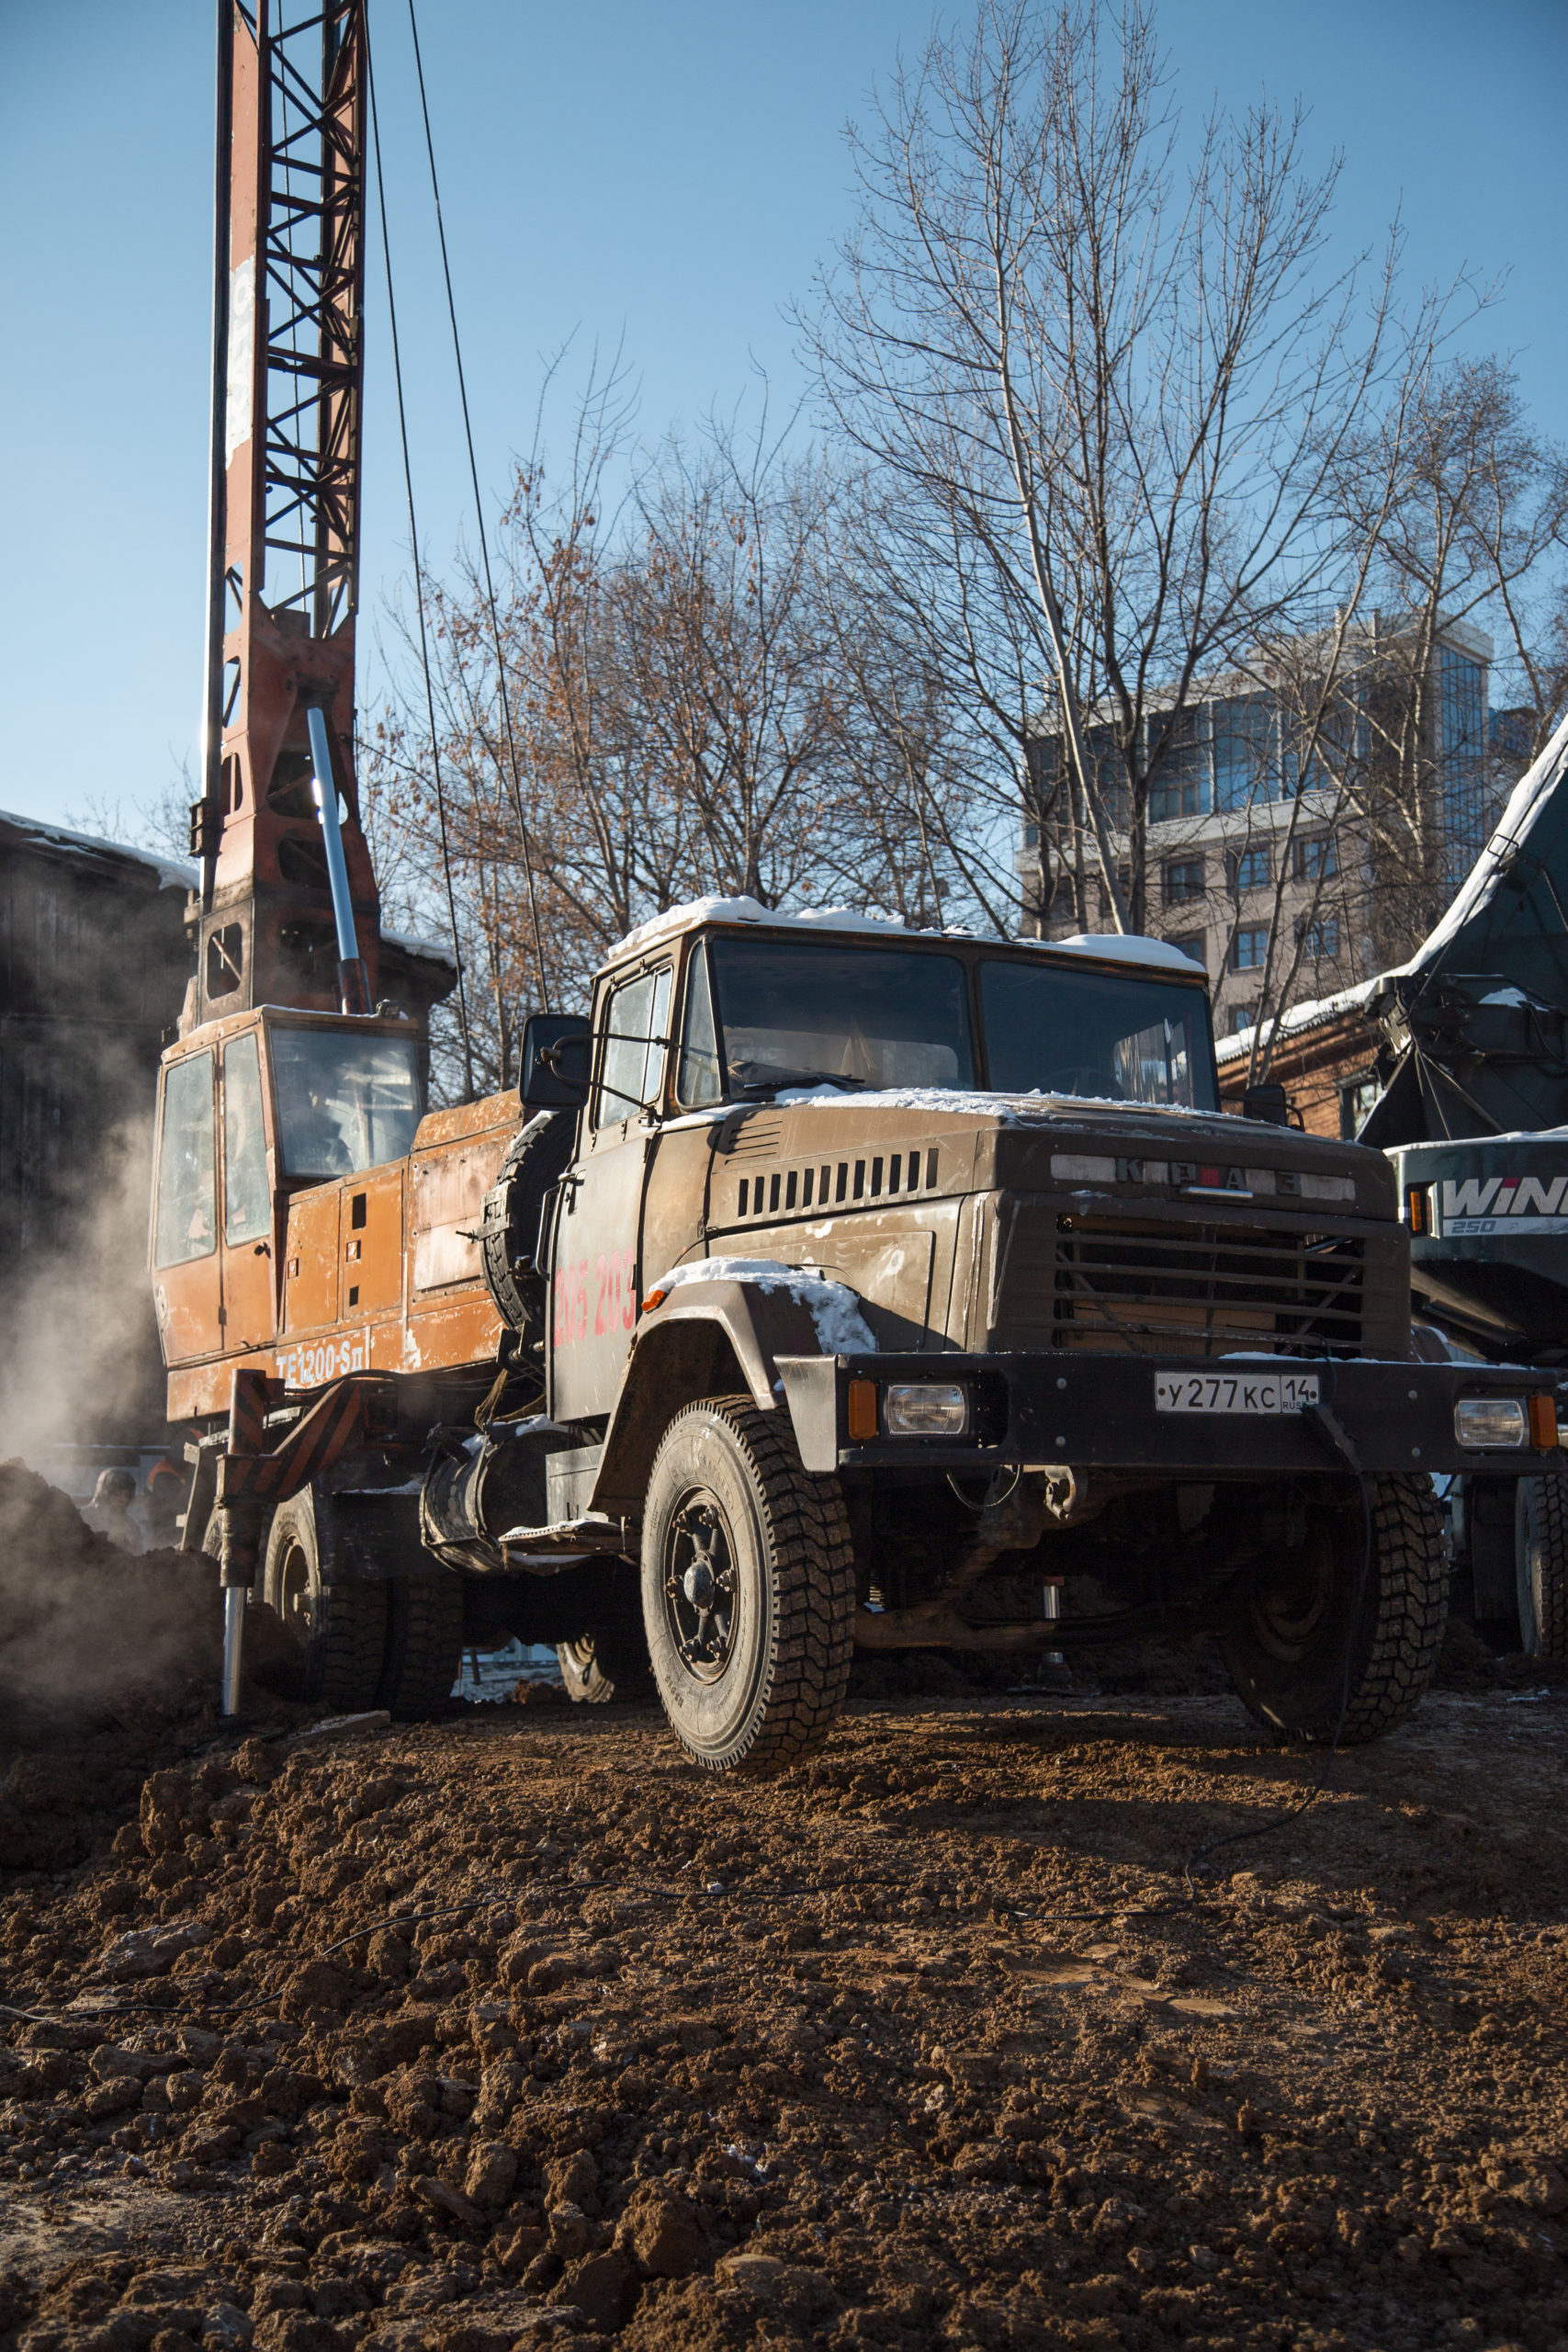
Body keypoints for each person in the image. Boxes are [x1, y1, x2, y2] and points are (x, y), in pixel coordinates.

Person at [81, 1468, 148, 1555]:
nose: (122, 1500)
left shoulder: (131, 1526)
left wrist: (126, 1547)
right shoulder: (83, 1517)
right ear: (105, 1494)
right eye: (117, 1494)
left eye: (126, 1495)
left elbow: (139, 1554)